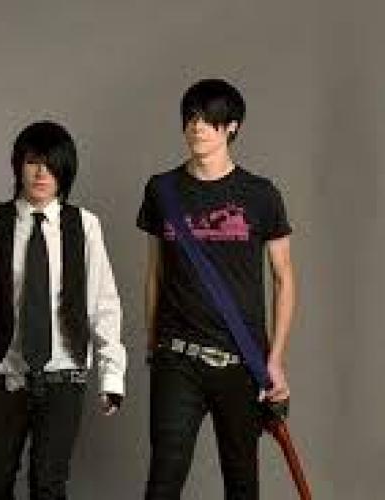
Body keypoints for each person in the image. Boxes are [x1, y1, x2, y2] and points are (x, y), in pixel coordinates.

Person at [0, 120, 127, 500]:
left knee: (48, 486)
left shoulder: (84, 225)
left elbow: (104, 303)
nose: (41, 173)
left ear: (65, 171)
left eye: (51, 164)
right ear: (18, 166)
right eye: (32, 162)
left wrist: (112, 375)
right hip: (4, 375)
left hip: (63, 376)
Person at [137, 78, 295, 499]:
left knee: (242, 485)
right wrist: (153, 342)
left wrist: (275, 360)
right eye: (190, 118)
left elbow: (284, 278)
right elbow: (155, 272)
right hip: (177, 357)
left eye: (208, 120)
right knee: (162, 483)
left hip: (241, 360)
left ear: (232, 127)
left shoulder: (261, 195)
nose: (197, 127)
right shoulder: (161, 190)